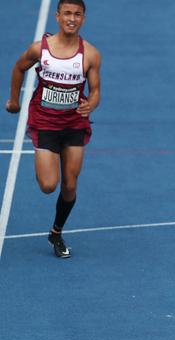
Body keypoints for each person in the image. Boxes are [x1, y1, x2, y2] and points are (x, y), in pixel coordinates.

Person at [5, 0, 101, 258]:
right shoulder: (40, 49)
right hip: (45, 123)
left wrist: (90, 105)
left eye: (77, 14)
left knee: (70, 186)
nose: (72, 18)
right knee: (49, 185)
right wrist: (14, 100)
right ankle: (44, 160)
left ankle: (56, 233)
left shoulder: (90, 54)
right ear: (57, 17)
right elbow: (18, 68)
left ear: (84, 18)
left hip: (74, 125)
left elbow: (96, 92)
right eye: (67, 13)